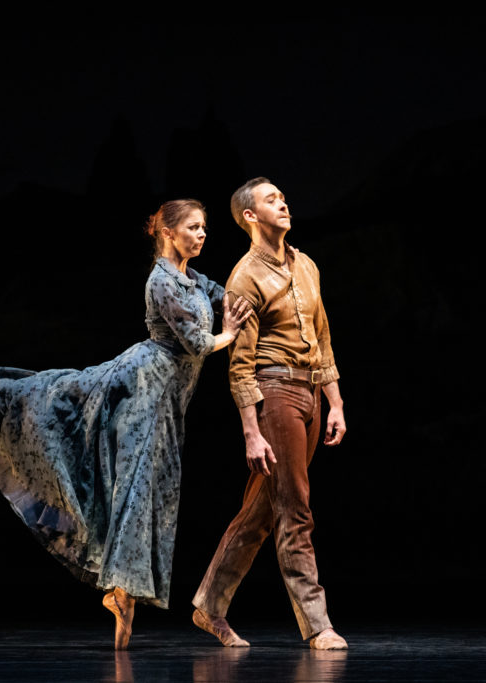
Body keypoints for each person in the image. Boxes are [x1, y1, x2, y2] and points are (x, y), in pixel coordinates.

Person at [0, 199, 251, 650]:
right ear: (168, 232)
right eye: (194, 227)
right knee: (67, 413)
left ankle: (123, 594)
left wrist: (261, 287)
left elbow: (229, 294)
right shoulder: (161, 280)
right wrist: (229, 334)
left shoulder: (191, 278)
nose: (202, 234)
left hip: (166, 397)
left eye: (204, 228)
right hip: (140, 386)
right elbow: (197, 343)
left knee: (147, 486)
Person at [191, 178, 349, 650]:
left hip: (311, 391)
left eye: (282, 197)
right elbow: (240, 364)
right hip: (275, 393)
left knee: (263, 510)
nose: (283, 203)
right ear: (250, 216)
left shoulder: (307, 265)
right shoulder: (244, 277)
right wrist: (251, 431)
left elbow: (322, 338)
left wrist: (336, 402)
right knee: (295, 508)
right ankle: (318, 624)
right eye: (270, 200)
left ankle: (209, 605)